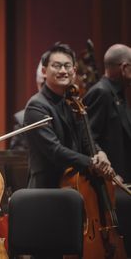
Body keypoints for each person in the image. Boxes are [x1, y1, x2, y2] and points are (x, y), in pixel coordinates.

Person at [23, 43, 114, 189]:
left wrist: (99, 153)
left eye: (67, 66)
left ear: (74, 70)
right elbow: (54, 151)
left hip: (75, 185)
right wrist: (91, 163)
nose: (63, 71)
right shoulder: (36, 106)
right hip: (47, 190)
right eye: (57, 66)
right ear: (44, 71)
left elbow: (86, 138)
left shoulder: (72, 102)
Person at [83, 44, 131, 183]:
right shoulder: (101, 92)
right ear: (124, 68)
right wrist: (109, 173)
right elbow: (88, 138)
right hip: (109, 181)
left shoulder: (119, 92)